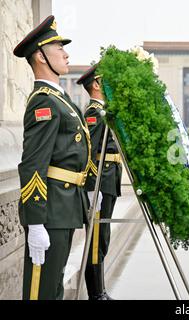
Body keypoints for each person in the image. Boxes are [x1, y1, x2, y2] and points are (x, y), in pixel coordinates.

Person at [13, 15, 90, 300]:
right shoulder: (44, 102)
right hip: (50, 212)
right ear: (41, 56)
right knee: (41, 291)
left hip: (65, 207)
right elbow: (33, 163)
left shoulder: (60, 99)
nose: (66, 52)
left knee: (54, 286)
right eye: (59, 47)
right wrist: (35, 222)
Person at [77, 65, 122, 300]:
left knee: (102, 237)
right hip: (99, 184)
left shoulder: (104, 111)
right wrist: (94, 186)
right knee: (96, 239)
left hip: (108, 181)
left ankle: (101, 290)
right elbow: (90, 151)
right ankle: (95, 294)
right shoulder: (94, 112)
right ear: (95, 84)